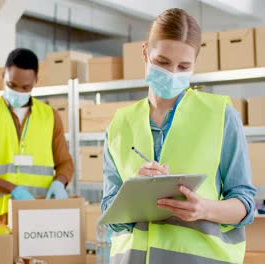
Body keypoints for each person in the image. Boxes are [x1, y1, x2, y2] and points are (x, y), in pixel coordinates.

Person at [101, 8, 256, 263]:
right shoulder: (119, 124)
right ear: (145, 53)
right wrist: (132, 194)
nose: (172, 73)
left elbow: (244, 203)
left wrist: (205, 209)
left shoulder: (221, 115)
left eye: (184, 66)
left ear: (195, 63)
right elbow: (110, 213)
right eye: (162, 62)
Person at [0, 48, 74, 223]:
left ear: (35, 81)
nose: (18, 92)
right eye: (11, 85)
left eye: (26, 87)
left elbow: (65, 163)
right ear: (3, 76)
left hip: (39, 212)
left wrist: (60, 182)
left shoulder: (50, 116)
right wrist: (12, 189)